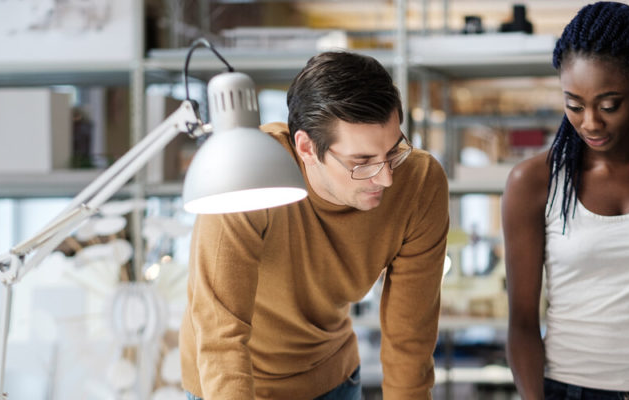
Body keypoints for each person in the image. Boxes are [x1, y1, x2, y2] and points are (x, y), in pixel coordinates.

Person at [180, 51, 450, 399]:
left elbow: (409, 338)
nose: (385, 179)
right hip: (228, 380)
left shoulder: (418, 183)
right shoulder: (248, 175)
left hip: (328, 377)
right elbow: (221, 333)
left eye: (393, 151)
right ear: (307, 148)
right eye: (362, 161)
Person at [502, 3, 629, 399]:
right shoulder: (534, 183)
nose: (591, 122)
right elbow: (522, 324)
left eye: (609, 105)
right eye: (574, 105)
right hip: (570, 389)